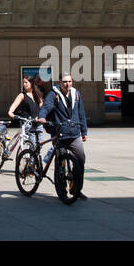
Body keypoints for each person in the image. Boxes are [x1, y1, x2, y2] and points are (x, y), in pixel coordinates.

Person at [38, 72, 89, 200]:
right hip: (60, 132)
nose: (67, 84)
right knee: (60, 162)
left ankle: (76, 189)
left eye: (70, 81)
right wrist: (42, 117)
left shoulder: (76, 94)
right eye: (65, 82)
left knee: (80, 160)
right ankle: (61, 192)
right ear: (60, 82)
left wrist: (84, 131)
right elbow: (46, 106)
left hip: (74, 133)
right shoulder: (54, 94)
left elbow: (81, 112)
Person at [7, 75, 48, 167]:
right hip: (27, 122)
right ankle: (31, 164)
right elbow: (13, 106)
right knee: (33, 144)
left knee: (40, 143)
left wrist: (39, 115)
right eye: (23, 82)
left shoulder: (36, 94)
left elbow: (41, 103)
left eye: (26, 82)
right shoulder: (22, 95)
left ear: (32, 84)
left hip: (37, 123)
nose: (24, 84)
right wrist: (11, 113)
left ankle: (32, 162)